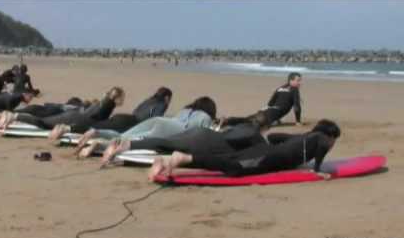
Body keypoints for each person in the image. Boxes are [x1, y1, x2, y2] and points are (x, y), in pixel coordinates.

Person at [147, 119, 341, 182]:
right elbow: (323, 147)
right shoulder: (322, 139)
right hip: (269, 157)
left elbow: (274, 137)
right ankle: (182, 158)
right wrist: (318, 170)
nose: (332, 144)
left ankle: (169, 161)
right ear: (330, 136)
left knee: (226, 159)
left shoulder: (305, 137)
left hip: (265, 150)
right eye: (334, 140)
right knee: (234, 168)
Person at [84, 112, 269, 162]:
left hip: (201, 133)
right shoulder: (254, 135)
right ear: (264, 127)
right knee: (165, 146)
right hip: (204, 142)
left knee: (165, 143)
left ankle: (124, 144)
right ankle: (123, 146)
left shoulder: (241, 126)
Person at [90, 97, 217, 164]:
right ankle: (105, 145)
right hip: (169, 129)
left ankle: (96, 134)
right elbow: (204, 136)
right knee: (136, 141)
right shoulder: (206, 117)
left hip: (160, 120)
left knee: (123, 135)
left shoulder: (185, 110)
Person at [48, 87, 173, 140]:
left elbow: (136, 111)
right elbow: (154, 120)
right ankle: (66, 128)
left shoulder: (148, 100)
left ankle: (67, 127)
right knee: (97, 128)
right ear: (167, 97)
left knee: (99, 125)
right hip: (128, 123)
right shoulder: (162, 104)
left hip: (125, 117)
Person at [0, 87, 125, 131]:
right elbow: (96, 120)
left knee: (44, 120)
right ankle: (14, 116)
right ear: (117, 98)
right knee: (43, 123)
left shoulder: (103, 101)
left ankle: (14, 115)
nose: (122, 101)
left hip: (74, 114)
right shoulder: (108, 105)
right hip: (76, 119)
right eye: (122, 98)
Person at [223, 72, 303, 128]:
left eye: (300, 80)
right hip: (271, 114)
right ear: (291, 81)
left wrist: (277, 118)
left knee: (246, 120)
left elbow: (271, 103)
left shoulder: (280, 89)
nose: (300, 82)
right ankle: (225, 122)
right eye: (298, 80)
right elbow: (296, 106)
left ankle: (225, 121)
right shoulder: (294, 89)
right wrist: (298, 121)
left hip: (266, 111)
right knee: (249, 123)